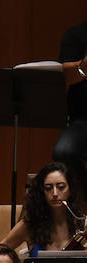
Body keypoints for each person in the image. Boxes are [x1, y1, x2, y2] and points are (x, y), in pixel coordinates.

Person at [0, 162, 87, 255]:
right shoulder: (29, 226)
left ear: (70, 190)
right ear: (42, 192)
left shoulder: (82, 223)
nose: (55, 194)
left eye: (61, 187)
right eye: (48, 188)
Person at [57, 20, 87, 171]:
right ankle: (80, 193)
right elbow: (66, 77)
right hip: (83, 120)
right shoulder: (75, 34)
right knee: (64, 151)